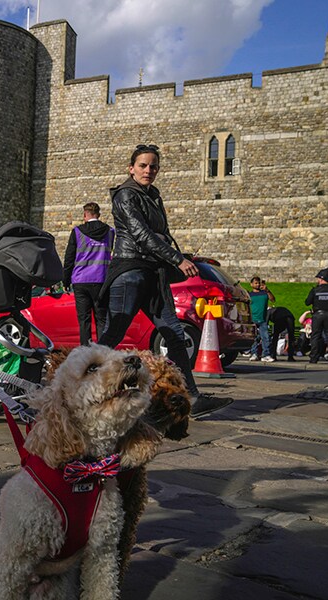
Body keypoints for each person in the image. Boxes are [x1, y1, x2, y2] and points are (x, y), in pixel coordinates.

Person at [97, 144, 230, 417]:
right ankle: (83, 388)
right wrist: (177, 259)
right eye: (143, 165)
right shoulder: (125, 195)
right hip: (130, 270)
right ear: (131, 168)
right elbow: (141, 234)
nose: (149, 170)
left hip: (152, 272)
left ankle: (190, 397)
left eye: (153, 166)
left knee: (174, 334)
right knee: (113, 334)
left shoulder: (152, 195)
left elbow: (161, 234)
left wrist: (179, 254)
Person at [62, 201, 113, 346]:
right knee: (102, 319)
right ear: (99, 214)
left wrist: (65, 281)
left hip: (80, 281)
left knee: (84, 320)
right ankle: (103, 352)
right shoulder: (110, 232)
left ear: (85, 215)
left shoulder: (77, 232)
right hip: (101, 280)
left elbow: (69, 258)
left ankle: (86, 353)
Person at [247, 276, 275, 361]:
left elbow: (273, 299)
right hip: (253, 318)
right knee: (254, 338)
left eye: (258, 283)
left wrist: (267, 290)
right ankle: (254, 353)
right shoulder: (249, 295)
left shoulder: (264, 293)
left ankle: (266, 354)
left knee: (265, 337)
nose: (257, 284)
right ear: (251, 284)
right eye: (255, 283)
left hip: (263, 319)